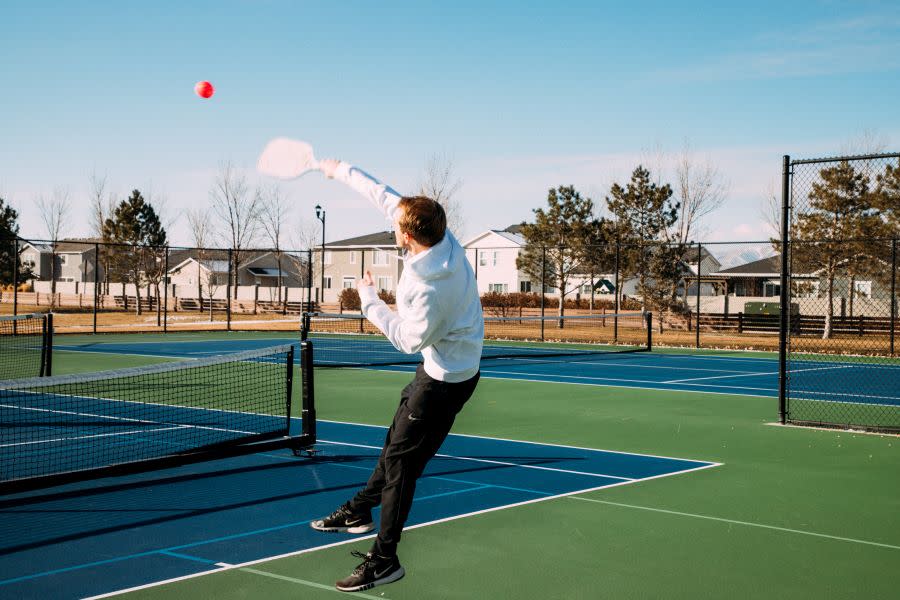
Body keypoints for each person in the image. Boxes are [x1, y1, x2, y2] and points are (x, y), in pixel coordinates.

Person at [311, 158, 484, 593]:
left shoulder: (432, 289)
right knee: (394, 447)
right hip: (439, 370)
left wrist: (369, 300)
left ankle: (385, 559)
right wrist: (340, 169)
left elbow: (408, 340)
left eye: (397, 223)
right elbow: (381, 192)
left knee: (402, 466)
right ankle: (358, 509)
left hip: (445, 381)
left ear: (406, 234)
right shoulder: (441, 237)